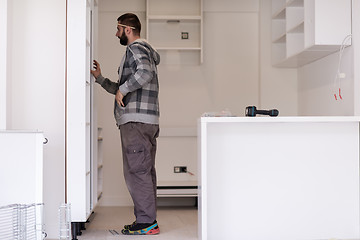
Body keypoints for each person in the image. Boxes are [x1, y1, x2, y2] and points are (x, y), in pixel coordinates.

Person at [90, 13, 160, 235]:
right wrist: (101, 79)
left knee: (137, 171)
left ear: (127, 29)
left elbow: (144, 74)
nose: (116, 33)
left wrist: (123, 88)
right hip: (146, 120)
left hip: (136, 121)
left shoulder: (135, 48)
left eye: (118, 29)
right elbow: (124, 89)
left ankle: (147, 222)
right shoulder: (144, 50)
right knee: (144, 171)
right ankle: (147, 220)